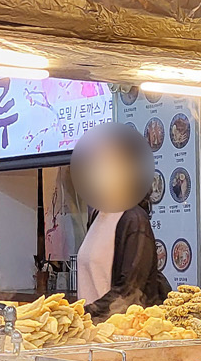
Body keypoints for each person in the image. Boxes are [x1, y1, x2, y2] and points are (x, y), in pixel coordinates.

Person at [72, 123, 170, 319]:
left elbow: (129, 291)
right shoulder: (98, 215)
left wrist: (81, 313)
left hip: (121, 330)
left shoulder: (134, 219)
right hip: (94, 328)